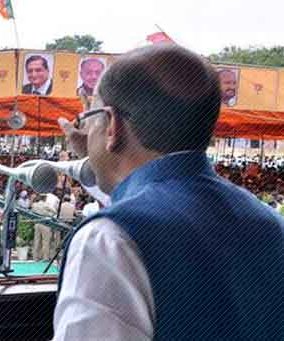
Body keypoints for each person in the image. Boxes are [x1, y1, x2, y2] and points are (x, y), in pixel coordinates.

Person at [54, 44, 284, 340]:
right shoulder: (272, 225)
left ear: (112, 125)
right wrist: (97, 154)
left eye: (90, 116)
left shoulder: (108, 241)